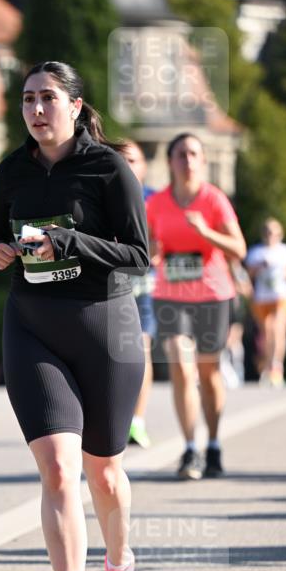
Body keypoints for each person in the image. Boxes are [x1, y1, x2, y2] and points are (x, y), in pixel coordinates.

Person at [0, 60, 149, 571]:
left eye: (47, 98)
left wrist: (72, 241)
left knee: (102, 471)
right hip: (32, 327)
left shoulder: (107, 168)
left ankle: (120, 562)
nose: (36, 110)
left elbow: (138, 254)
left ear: (75, 106)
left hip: (104, 330)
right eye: (27, 100)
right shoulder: (11, 171)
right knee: (57, 469)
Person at [147, 133, 247, 480]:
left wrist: (207, 232)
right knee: (181, 366)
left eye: (193, 154)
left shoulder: (214, 200)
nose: (187, 160)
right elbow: (144, 248)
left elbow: (239, 249)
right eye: (180, 154)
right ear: (170, 160)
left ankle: (214, 444)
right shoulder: (157, 203)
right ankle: (190, 449)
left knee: (209, 373)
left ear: (202, 160)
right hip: (171, 295)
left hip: (212, 295)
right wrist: (152, 252)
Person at [122, 140, 157, 448]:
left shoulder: (156, 201)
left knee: (140, 350)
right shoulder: (103, 196)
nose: (128, 166)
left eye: (134, 160)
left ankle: (137, 421)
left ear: (144, 166)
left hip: (145, 287)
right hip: (109, 286)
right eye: (122, 160)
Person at [245, 218, 286, 387]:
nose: (271, 236)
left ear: (280, 235)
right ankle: (267, 367)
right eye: (267, 232)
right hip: (262, 298)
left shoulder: (285, 250)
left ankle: (277, 367)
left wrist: (280, 271)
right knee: (266, 333)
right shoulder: (255, 252)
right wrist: (261, 267)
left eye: (274, 233)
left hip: (281, 296)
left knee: (278, 328)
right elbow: (249, 276)